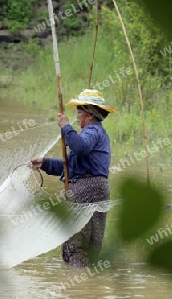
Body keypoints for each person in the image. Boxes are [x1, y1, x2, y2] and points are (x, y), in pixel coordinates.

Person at [30, 89, 117, 268]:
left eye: (78, 112)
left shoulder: (91, 132)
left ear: (89, 115)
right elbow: (70, 167)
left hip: (84, 189)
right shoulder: (98, 134)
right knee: (92, 245)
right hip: (99, 188)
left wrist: (66, 127)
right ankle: (89, 288)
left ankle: (76, 288)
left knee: (75, 245)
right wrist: (44, 163)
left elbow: (80, 147)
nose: (76, 117)